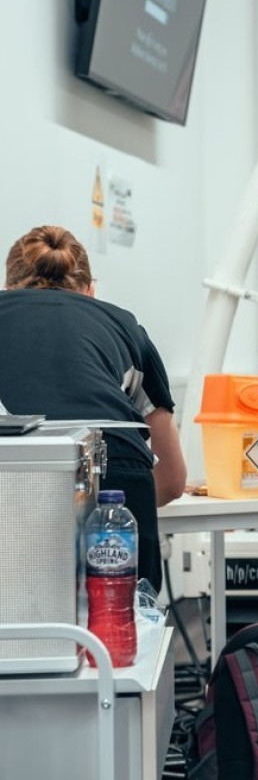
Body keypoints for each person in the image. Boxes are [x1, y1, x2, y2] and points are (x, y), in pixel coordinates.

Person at [0, 225, 186, 591]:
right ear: (90, 291)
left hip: (18, 480)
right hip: (119, 476)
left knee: (22, 621)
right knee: (126, 626)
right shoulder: (125, 325)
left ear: (8, 287)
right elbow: (174, 479)